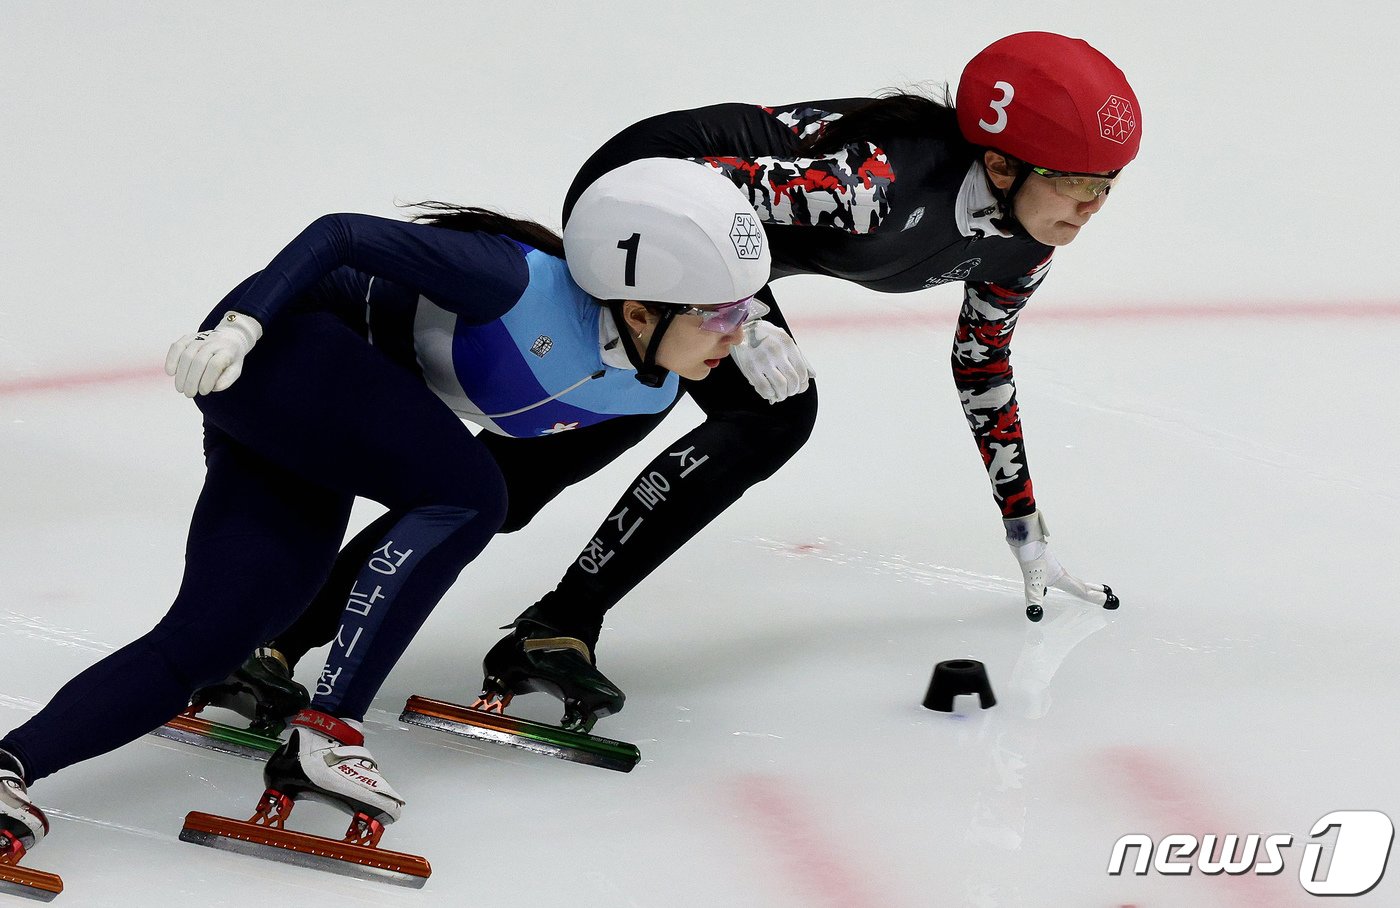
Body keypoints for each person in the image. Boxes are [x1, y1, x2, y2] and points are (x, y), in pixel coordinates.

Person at [215, 30, 1134, 734]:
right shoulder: (874, 183)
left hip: (719, 249)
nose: (1091, 212)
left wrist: (1021, 518)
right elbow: (705, 194)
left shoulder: (1024, 236)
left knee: (634, 440)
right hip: (650, 193)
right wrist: (748, 308)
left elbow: (981, 358)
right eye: (1079, 187)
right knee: (717, 421)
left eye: (1107, 190)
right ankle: (280, 638)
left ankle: (551, 625)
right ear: (1005, 162)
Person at [0, 158, 774, 866]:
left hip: (325, 413)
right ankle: (329, 731)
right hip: (279, 348)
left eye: (747, 310)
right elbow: (341, 236)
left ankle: (12, 767)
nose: (741, 331)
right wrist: (241, 324)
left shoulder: (644, 389)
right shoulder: (512, 282)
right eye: (725, 313)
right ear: (638, 311)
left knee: (214, 637)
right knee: (471, 493)